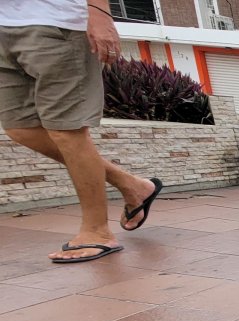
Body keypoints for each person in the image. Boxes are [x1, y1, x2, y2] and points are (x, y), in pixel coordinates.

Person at [1, 0, 162, 263]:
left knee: (67, 131)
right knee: (20, 128)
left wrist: (98, 13)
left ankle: (97, 231)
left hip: (56, 23)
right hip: (4, 25)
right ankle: (132, 185)